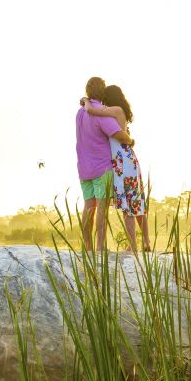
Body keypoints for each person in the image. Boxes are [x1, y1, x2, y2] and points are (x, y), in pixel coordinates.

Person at [82, 84, 151, 252]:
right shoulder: (117, 111)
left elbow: (92, 110)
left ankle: (134, 245)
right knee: (135, 202)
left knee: (129, 204)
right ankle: (146, 242)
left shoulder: (116, 110)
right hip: (125, 161)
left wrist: (85, 100)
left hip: (123, 162)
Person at [76, 76, 133, 251]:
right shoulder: (100, 112)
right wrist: (131, 140)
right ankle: (100, 246)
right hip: (102, 167)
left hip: (84, 167)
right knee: (101, 207)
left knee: (88, 206)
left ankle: (87, 246)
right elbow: (120, 135)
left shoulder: (80, 113)